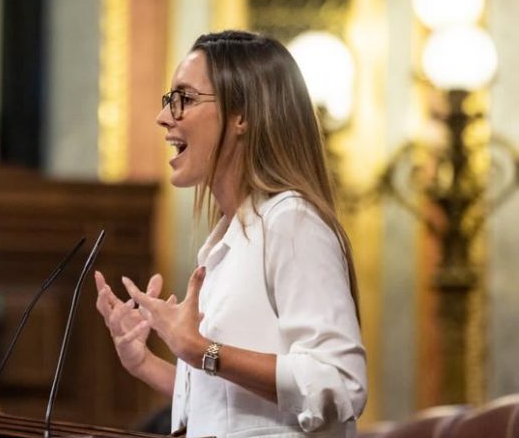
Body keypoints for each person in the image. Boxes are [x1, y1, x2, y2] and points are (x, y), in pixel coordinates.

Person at [94, 30, 367, 438]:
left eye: (183, 98)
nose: (164, 116)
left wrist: (200, 350)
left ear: (241, 115)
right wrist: (144, 363)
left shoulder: (290, 221)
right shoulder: (227, 239)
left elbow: (340, 380)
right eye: (169, 100)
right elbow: (229, 409)